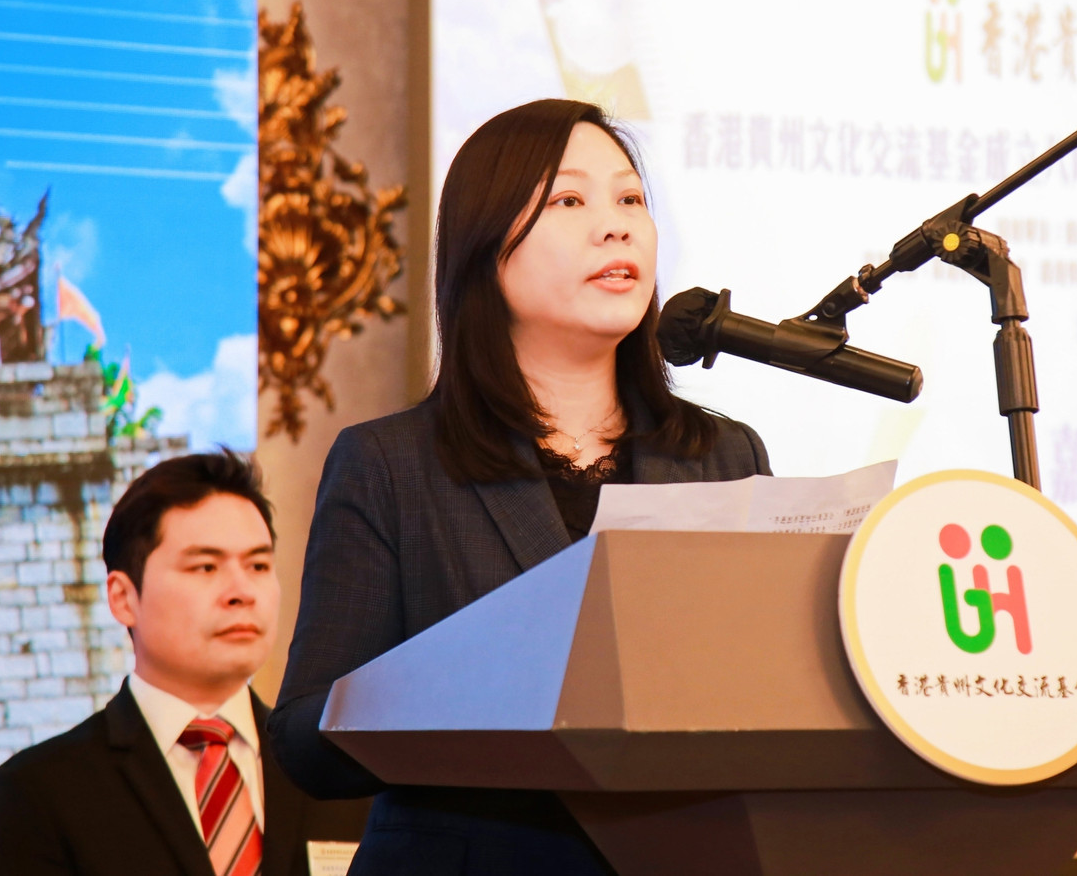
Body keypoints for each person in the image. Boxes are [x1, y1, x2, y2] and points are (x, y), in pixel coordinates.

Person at [268, 99, 772, 874]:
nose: (616, 227)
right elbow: (307, 740)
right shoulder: (392, 466)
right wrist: (480, 683)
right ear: (485, 247)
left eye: (630, 199)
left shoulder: (723, 455)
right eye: (569, 201)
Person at [0, 450, 368, 876]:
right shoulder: (36, 793)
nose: (241, 592)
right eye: (206, 567)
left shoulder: (346, 778)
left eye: (258, 565)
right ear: (123, 598)